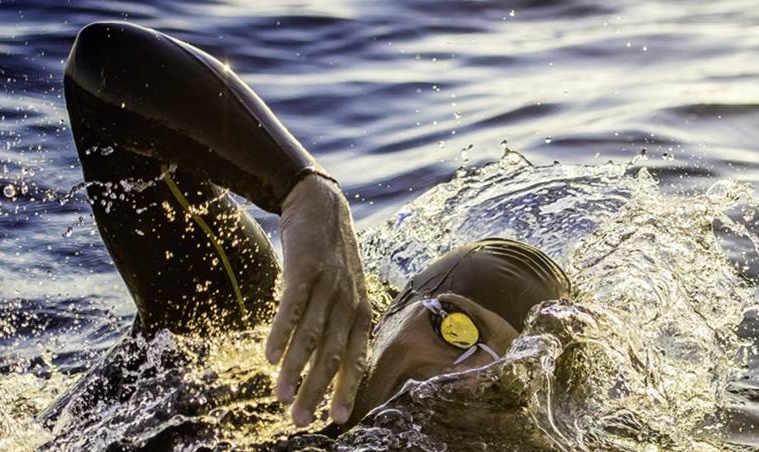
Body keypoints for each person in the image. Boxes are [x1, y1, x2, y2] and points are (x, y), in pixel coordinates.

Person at [63, 21, 570, 428]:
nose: (468, 377)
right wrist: (303, 188)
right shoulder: (240, 332)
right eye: (459, 331)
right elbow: (105, 61)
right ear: (391, 311)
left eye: (505, 376)